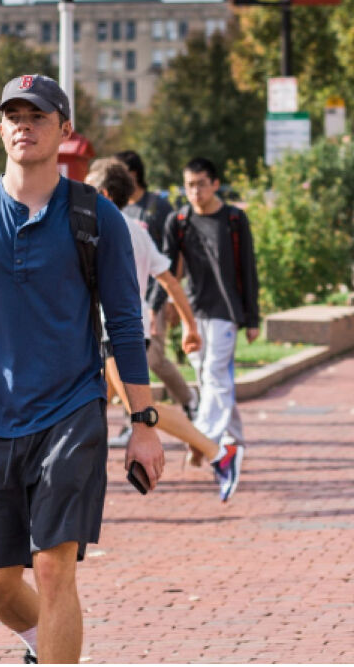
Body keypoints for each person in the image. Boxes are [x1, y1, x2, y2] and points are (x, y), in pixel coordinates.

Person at [0, 74, 163, 664]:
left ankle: (57, 649)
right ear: (0, 127)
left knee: (54, 571)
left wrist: (144, 421)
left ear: (64, 129)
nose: (24, 126)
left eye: (38, 116)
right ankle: (50, 646)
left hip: (71, 414)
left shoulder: (93, 216)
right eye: (14, 116)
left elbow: (124, 325)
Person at [85, 159, 242, 501]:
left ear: (104, 194)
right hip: (129, 331)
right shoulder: (138, 230)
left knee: (140, 410)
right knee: (106, 402)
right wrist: (187, 325)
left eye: (88, 188)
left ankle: (216, 451)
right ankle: (203, 445)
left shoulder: (103, 231)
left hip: (117, 333)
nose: (81, 195)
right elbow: (169, 280)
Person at [163, 157, 260, 461]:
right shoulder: (178, 221)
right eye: (190, 185)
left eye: (201, 184)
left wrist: (253, 317)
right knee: (207, 378)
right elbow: (168, 272)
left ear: (215, 184)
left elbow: (248, 269)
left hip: (225, 310)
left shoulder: (233, 219)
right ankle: (236, 439)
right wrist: (166, 309)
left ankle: (204, 440)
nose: (195, 191)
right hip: (193, 311)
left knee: (215, 374)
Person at [112, 150, 198, 440]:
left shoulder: (157, 208)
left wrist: (165, 304)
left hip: (149, 301)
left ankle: (187, 408)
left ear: (133, 174)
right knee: (125, 373)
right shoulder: (120, 213)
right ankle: (134, 422)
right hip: (118, 311)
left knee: (148, 363)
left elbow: (171, 259)